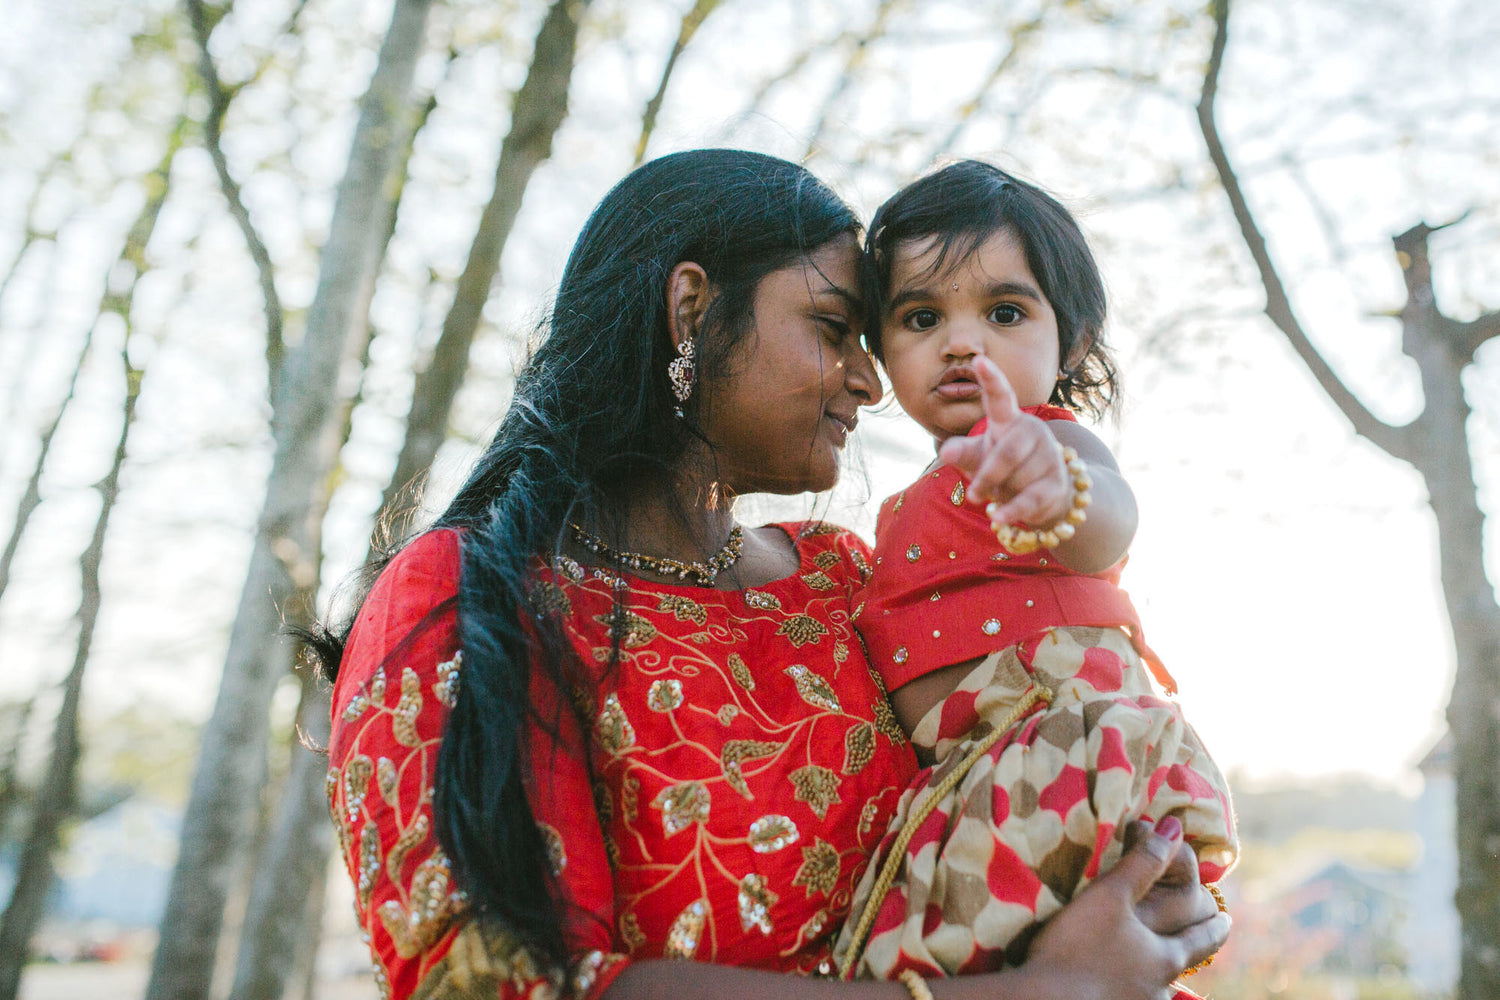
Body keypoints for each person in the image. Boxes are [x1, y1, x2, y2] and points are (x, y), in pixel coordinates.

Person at [317, 149, 1229, 1000]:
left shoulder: (841, 580)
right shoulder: (477, 590)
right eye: (835, 327)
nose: (871, 381)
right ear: (691, 311)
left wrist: (1142, 884)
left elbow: (1009, 808)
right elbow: (512, 983)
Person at [831, 160, 1238, 986]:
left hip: (1062, 754)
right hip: (967, 788)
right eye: (919, 317)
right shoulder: (902, 508)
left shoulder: (1052, 448)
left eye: (1005, 311)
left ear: (1072, 340)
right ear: (879, 352)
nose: (961, 342)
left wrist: (1059, 491)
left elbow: (1109, 524)